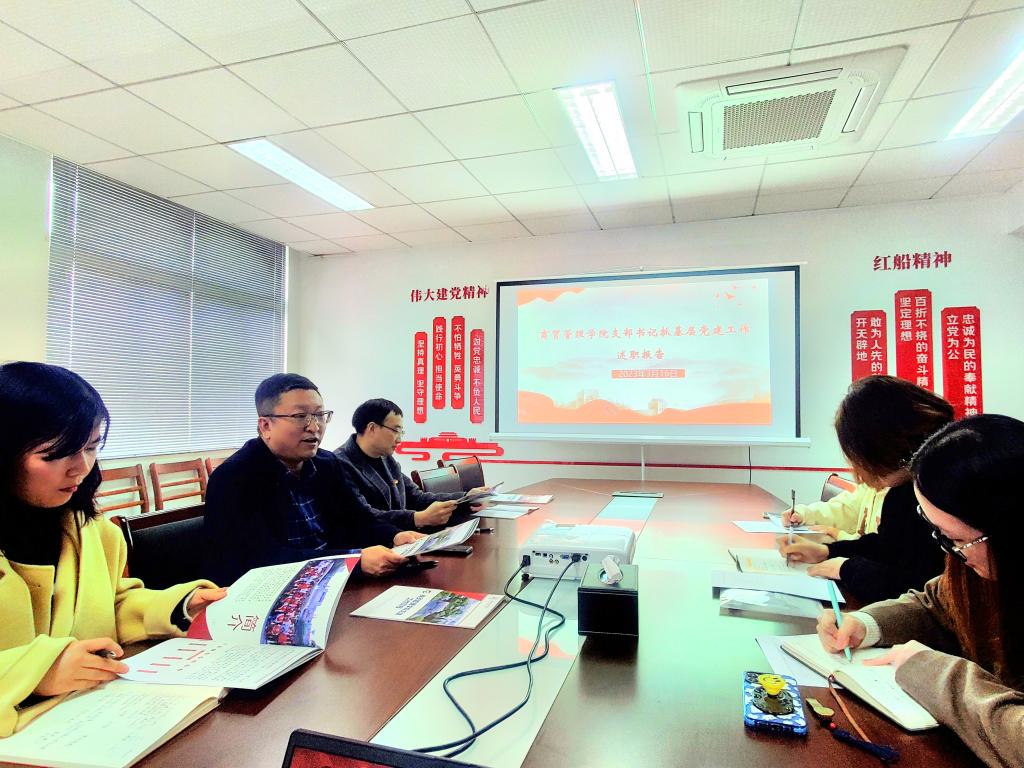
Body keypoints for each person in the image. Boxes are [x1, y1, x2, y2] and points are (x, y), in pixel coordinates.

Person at [0, 362, 226, 736]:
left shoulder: (93, 532)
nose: (81, 467)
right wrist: (34, 673)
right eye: (55, 454)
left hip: (85, 723)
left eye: (91, 447)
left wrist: (181, 606)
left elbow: (110, 605)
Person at [818, 414, 1023, 768]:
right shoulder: (980, 569)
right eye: (939, 535)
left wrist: (933, 673)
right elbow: (936, 605)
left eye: (957, 540)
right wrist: (866, 623)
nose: (951, 553)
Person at [204, 375, 423, 586]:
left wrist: (395, 536)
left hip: (334, 583)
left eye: (319, 415)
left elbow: (358, 519)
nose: (314, 426)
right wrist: (353, 561)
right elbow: (262, 560)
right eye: (300, 416)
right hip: (271, 594)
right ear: (266, 426)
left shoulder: (327, 463)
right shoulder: (233, 478)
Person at [778, 376, 951, 603]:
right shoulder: (903, 491)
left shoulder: (938, 494)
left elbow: (918, 584)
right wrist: (828, 552)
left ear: (881, 448)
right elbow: (887, 547)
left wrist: (847, 568)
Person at [334, 399, 486, 531]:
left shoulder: (386, 459)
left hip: (402, 539)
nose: (399, 439)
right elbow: (364, 517)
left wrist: (464, 498)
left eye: (401, 433)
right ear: (372, 428)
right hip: (370, 548)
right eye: (396, 431)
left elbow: (416, 497)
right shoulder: (339, 464)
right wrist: (417, 518)